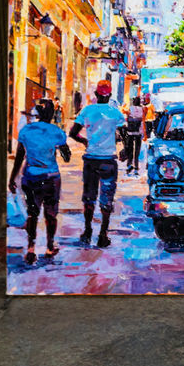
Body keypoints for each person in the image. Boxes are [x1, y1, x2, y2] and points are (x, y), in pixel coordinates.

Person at [8, 99, 71, 264]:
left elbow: (19, 157)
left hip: (30, 177)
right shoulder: (57, 132)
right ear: (51, 114)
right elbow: (66, 157)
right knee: (51, 214)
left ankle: (30, 248)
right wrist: (62, 149)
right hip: (51, 178)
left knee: (32, 213)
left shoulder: (26, 131)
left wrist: (12, 178)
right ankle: (49, 247)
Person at [69, 79, 124, 248]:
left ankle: (87, 232)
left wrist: (85, 141)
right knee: (107, 199)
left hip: (91, 159)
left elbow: (73, 133)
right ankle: (102, 235)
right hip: (108, 160)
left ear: (96, 94)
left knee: (89, 198)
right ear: (110, 95)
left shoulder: (87, 110)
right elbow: (124, 135)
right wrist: (123, 149)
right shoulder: (115, 113)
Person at [122, 96, 145, 175]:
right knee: (137, 151)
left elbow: (125, 113)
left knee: (130, 149)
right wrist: (144, 133)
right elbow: (143, 121)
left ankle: (129, 165)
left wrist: (124, 106)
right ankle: (136, 167)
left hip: (130, 132)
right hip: (138, 132)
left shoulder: (130, 108)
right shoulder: (143, 109)